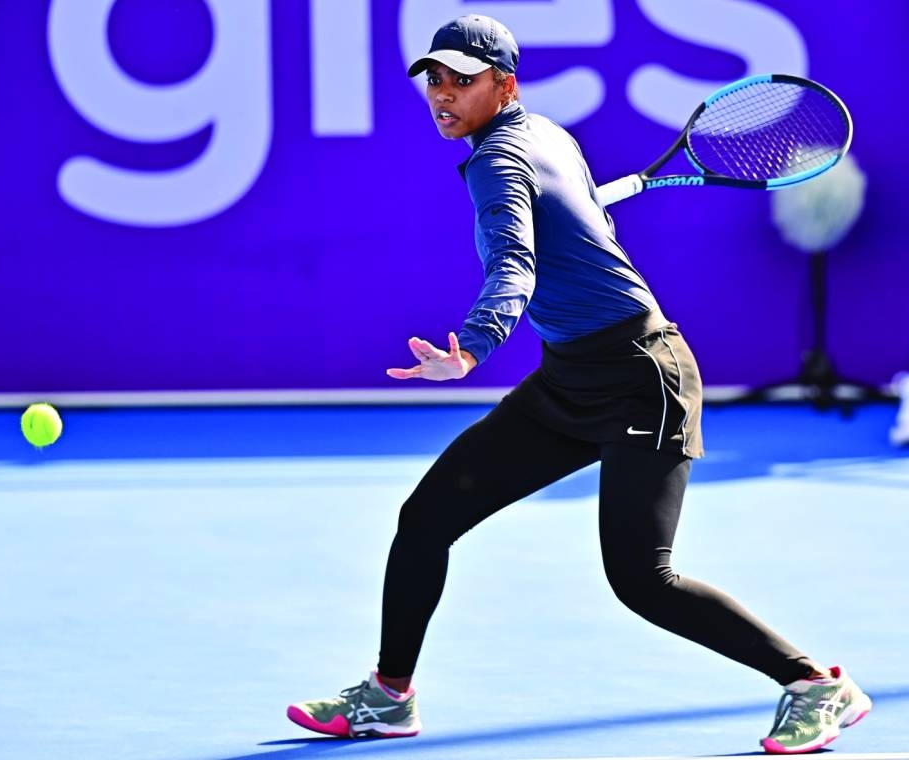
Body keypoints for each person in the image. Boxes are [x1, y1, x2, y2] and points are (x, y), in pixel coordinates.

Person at [286, 14, 871, 755]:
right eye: (434, 77)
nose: (442, 93)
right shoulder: (546, 135)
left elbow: (514, 267)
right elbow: (572, 225)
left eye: (461, 79)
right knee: (426, 516)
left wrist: (471, 347)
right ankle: (389, 696)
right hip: (570, 378)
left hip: (641, 377)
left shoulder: (500, 164)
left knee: (641, 579)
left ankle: (814, 685)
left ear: (504, 84)